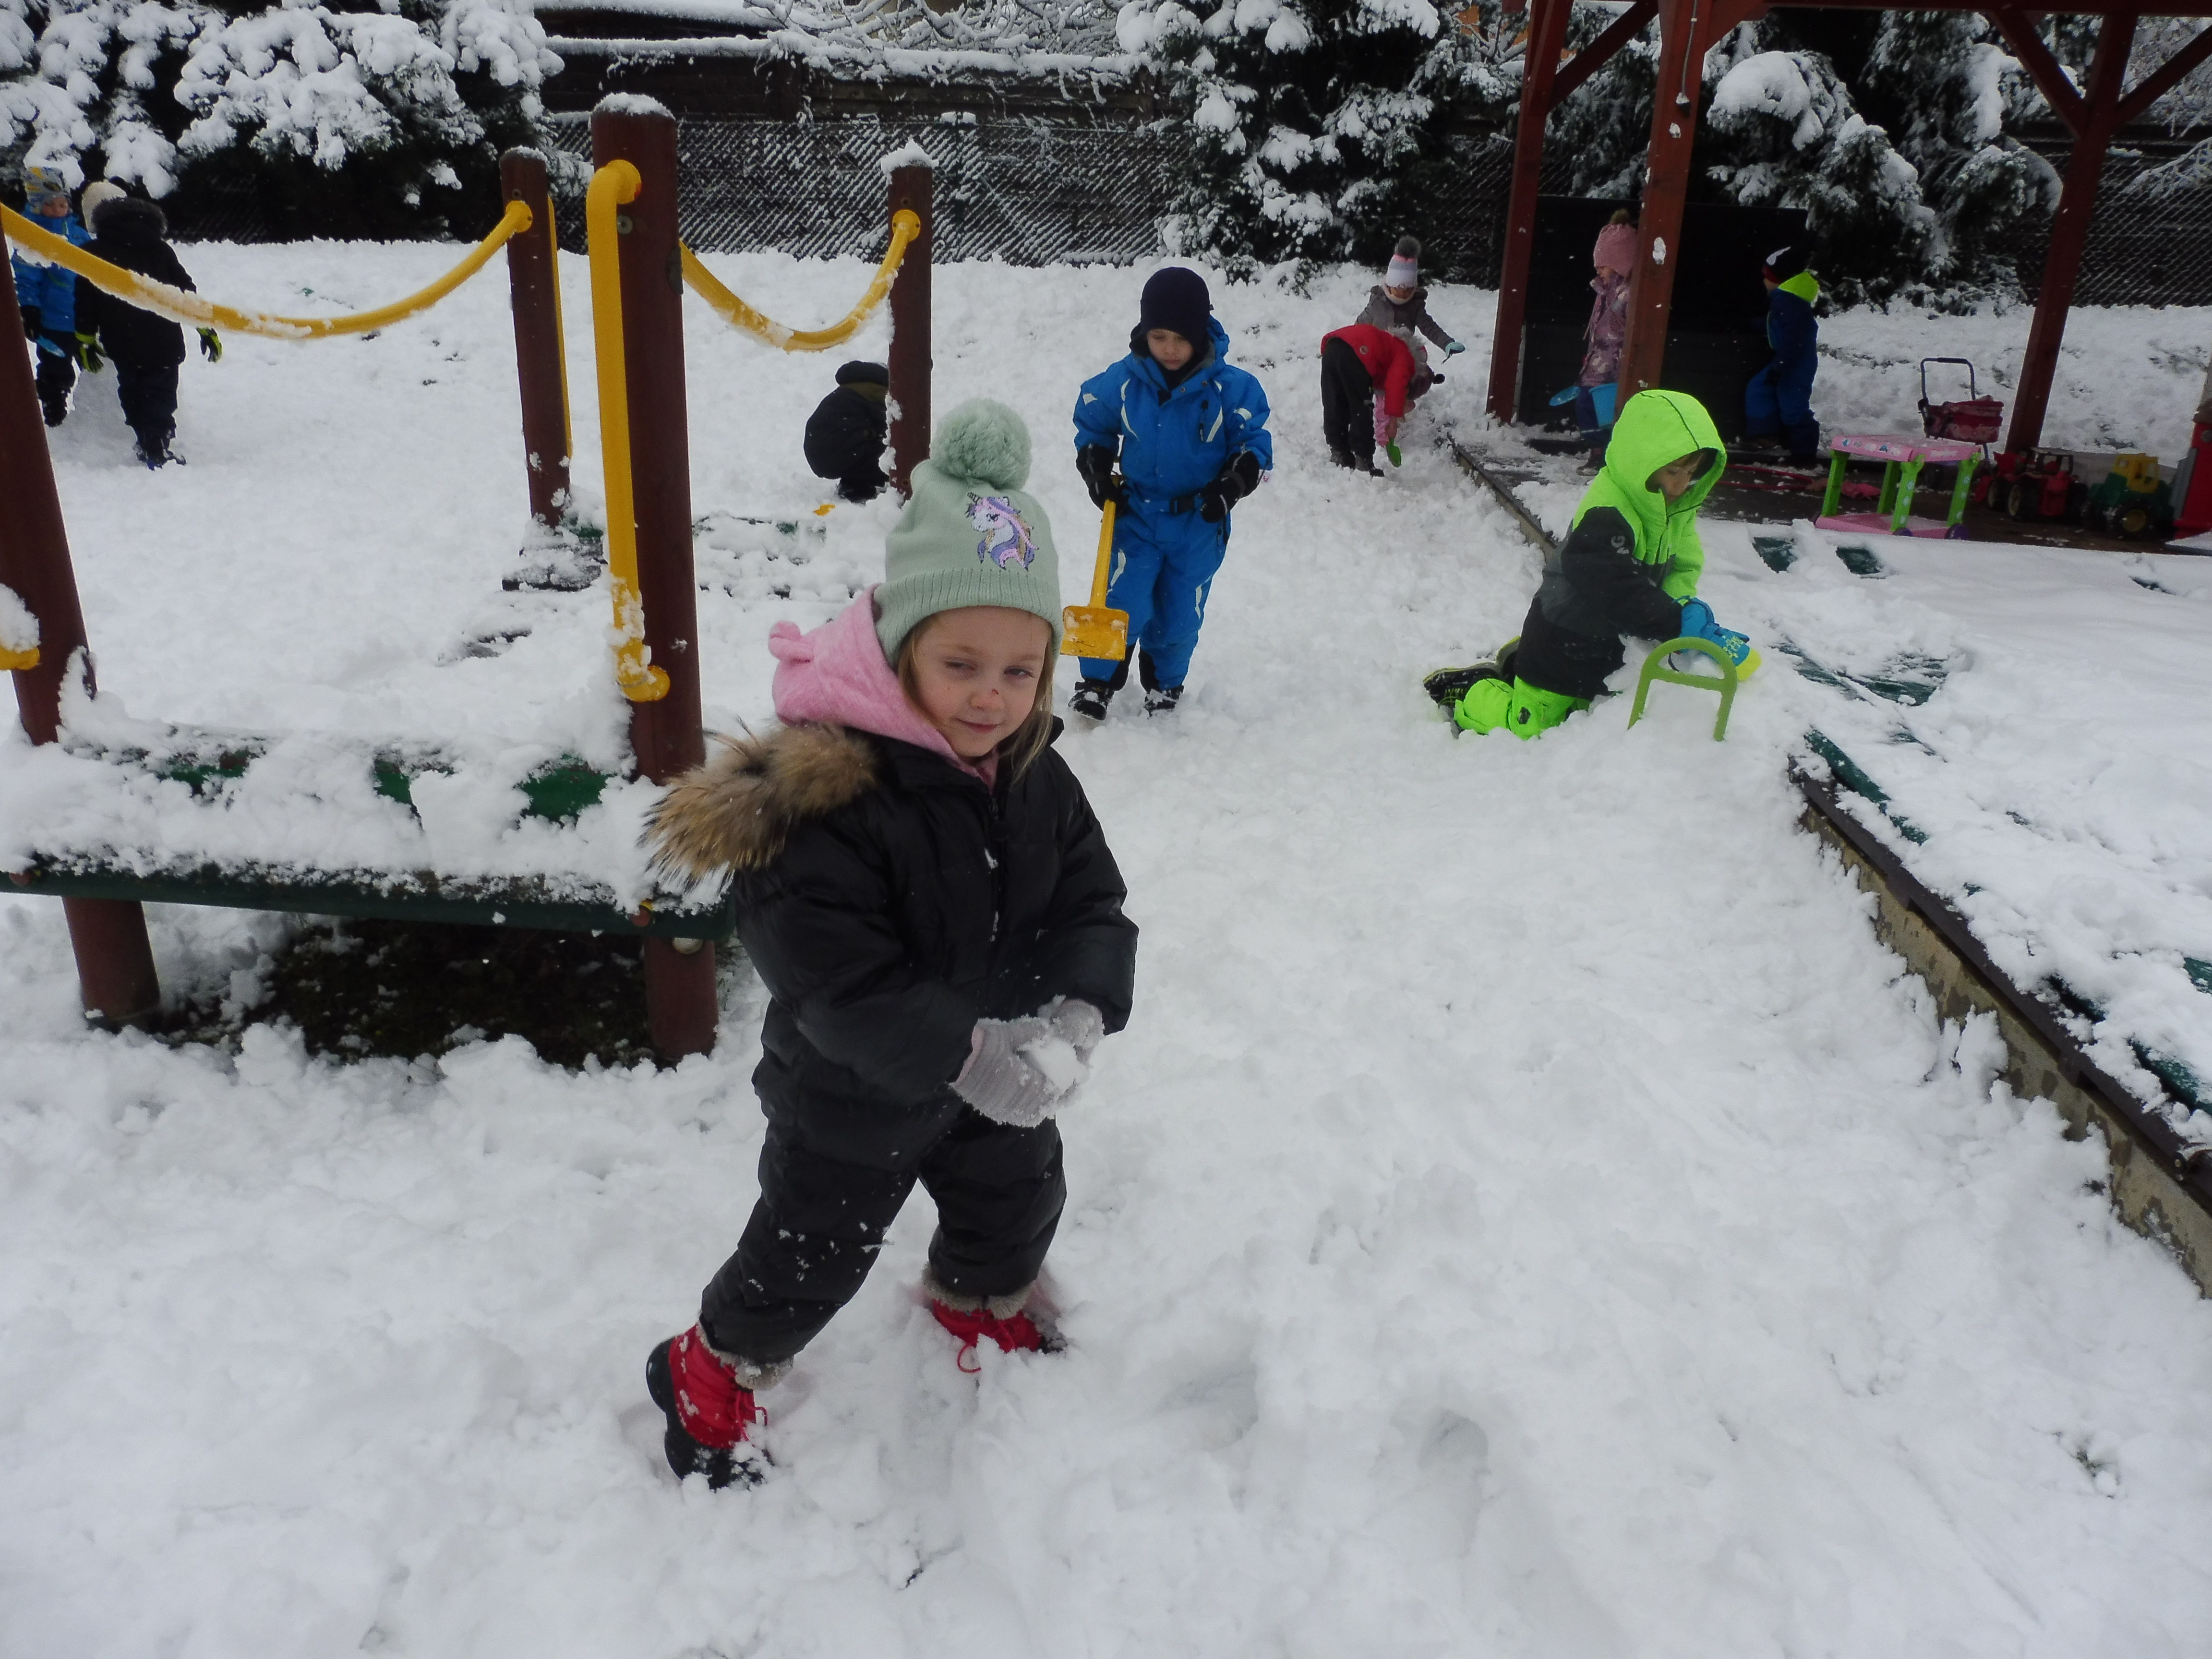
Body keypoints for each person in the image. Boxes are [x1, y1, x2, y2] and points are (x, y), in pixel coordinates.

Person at [640, 398, 1139, 1491]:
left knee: (1017, 1201)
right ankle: (710, 1366)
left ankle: (976, 1295)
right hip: (852, 1093)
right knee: (808, 1255)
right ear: (899, 645)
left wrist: (1079, 1005)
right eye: (961, 663)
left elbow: (1092, 899)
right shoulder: (825, 800)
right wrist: (964, 1052)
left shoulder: (1032, 771)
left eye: (1020, 670)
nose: (992, 697)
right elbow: (838, 984)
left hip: (1000, 1068)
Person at [1423, 390, 1754, 740]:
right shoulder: (1607, 512)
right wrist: (1674, 621)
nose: (1681, 485)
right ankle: (1471, 689)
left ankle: (1515, 663)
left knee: (1581, 719)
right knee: (1532, 727)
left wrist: (1682, 605)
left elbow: (1684, 566)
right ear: (1640, 459)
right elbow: (1612, 583)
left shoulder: (1674, 510)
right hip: (1561, 640)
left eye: (1691, 472)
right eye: (1673, 470)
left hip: (1606, 644)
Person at [1069, 267, 1272, 719]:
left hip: (1198, 520)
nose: (1170, 349)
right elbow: (1093, 421)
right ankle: (1097, 681)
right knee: (1121, 598)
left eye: (1182, 338)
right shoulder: (1126, 381)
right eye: (1159, 337)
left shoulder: (1230, 388)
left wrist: (1231, 486)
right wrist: (1097, 470)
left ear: (1201, 332)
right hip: (1136, 514)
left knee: (1181, 609)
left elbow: (1253, 445)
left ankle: (1165, 683)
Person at [72, 192, 220, 468]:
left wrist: (85, 338)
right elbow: (186, 294)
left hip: (121, 338)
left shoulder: (93, 253)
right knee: (162, 392)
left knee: (132, 389)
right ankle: (158, 443)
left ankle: (145, 438)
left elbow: (85, 300)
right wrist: (205, 328)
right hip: (163, 339)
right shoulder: (161, 250)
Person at [1355, 236, 1464, 401]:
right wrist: (1344, 345)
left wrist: (1447, 343)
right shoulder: (1378, 302)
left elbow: (1430, 328)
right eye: (1398, 289)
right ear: (1389, 285)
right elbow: (1359, 326)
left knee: (1405, 383)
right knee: (1383, 390)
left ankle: (1404, 401)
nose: (1403, 294)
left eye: (1408, 289)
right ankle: (1386, 411)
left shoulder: (1414, 306)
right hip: (1380, 356)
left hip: (1403, 355)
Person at [1744, 243, 1821, 464]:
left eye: (1766, 277)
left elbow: (1794, 341)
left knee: (1793, 407)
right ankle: (1765, 435)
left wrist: (1780, 367)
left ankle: (1805, 454)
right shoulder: (1784, 300)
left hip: (1796, 364)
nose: (1764, 281)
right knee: (1759, 388)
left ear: (1779, 280)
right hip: (1786, 360)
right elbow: (1775, 324)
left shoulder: (1790, 303)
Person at [1575, 211, 1636, 457]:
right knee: (1586, 405)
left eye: (1604, 264)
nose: (1598, 269)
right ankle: (1597, 451)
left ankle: (1605, 453)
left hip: (1616, 367)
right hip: (1598, 363)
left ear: (1621, 263)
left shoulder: (1629, 295)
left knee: (1604, 410)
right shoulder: (1604, 291)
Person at [1320, 321, 1417, 475]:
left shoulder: (1388, 343)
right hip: (1358, 352)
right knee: (1361, 408)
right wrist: (1393, 422)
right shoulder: (1405, 355)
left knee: (1336, 402)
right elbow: (1396, 386)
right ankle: (1363, 460)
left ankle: (1339, 451)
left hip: (1332, 346)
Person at [803, 359, 890, 502]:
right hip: (840, 448)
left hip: (820, 454)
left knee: (870, 440)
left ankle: (854, 484)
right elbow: (889, 421)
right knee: (889, 440)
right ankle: (870, 484)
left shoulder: (845, 393)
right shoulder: (874, 393)